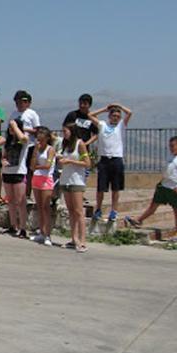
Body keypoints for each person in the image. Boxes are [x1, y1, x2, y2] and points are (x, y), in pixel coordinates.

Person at [125, 136, 177, 241]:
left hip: (175, 188)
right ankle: (139, 220)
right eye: (170, 146)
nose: (171, 148)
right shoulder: (170, 157)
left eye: (173, 146)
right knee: (153, 205)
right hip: (164, 186)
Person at [2, 90, 40, 238]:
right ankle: (13, 225)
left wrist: (18, 128)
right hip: (8, 170)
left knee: (20, 200)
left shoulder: (31, 115)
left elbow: (27, 137)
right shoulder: (9, 139)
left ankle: (23, 227)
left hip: (21, 166)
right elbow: (4, 152)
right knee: (11, 200)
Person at [89, 103, 133, 223]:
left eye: (118, 116)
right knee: (101, 188)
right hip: (104, 159)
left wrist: (119, 105)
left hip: (116, 159)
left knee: (116, 188)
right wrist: (105, 109)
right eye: (113, 115)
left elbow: (129, 112)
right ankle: (98, 209)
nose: (116, 118)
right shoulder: (102, 124)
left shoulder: (121, 125)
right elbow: (90, 115)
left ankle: (114, 210)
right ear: (109, 116)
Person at [58, 124, 90, 252]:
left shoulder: (80, 144)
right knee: (71, 210)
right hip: (66, 179)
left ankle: (83, 241)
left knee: (78, 211)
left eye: (65, 131)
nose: (63, 133)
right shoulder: (65, 145)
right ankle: (73, 238)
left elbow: (87, 163)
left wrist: (70, 161)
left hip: (77, 180)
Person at [30, 126, 56, 246]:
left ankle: (48, 234)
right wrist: (35, 151)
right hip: (37, 178)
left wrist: (37, 167)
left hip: (46, 179)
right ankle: (41, 232)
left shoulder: (50, 149)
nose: (39, 140)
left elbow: (47, 165)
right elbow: (31, 165)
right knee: (39, 206)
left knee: (46, 207)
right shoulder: (37, 149)